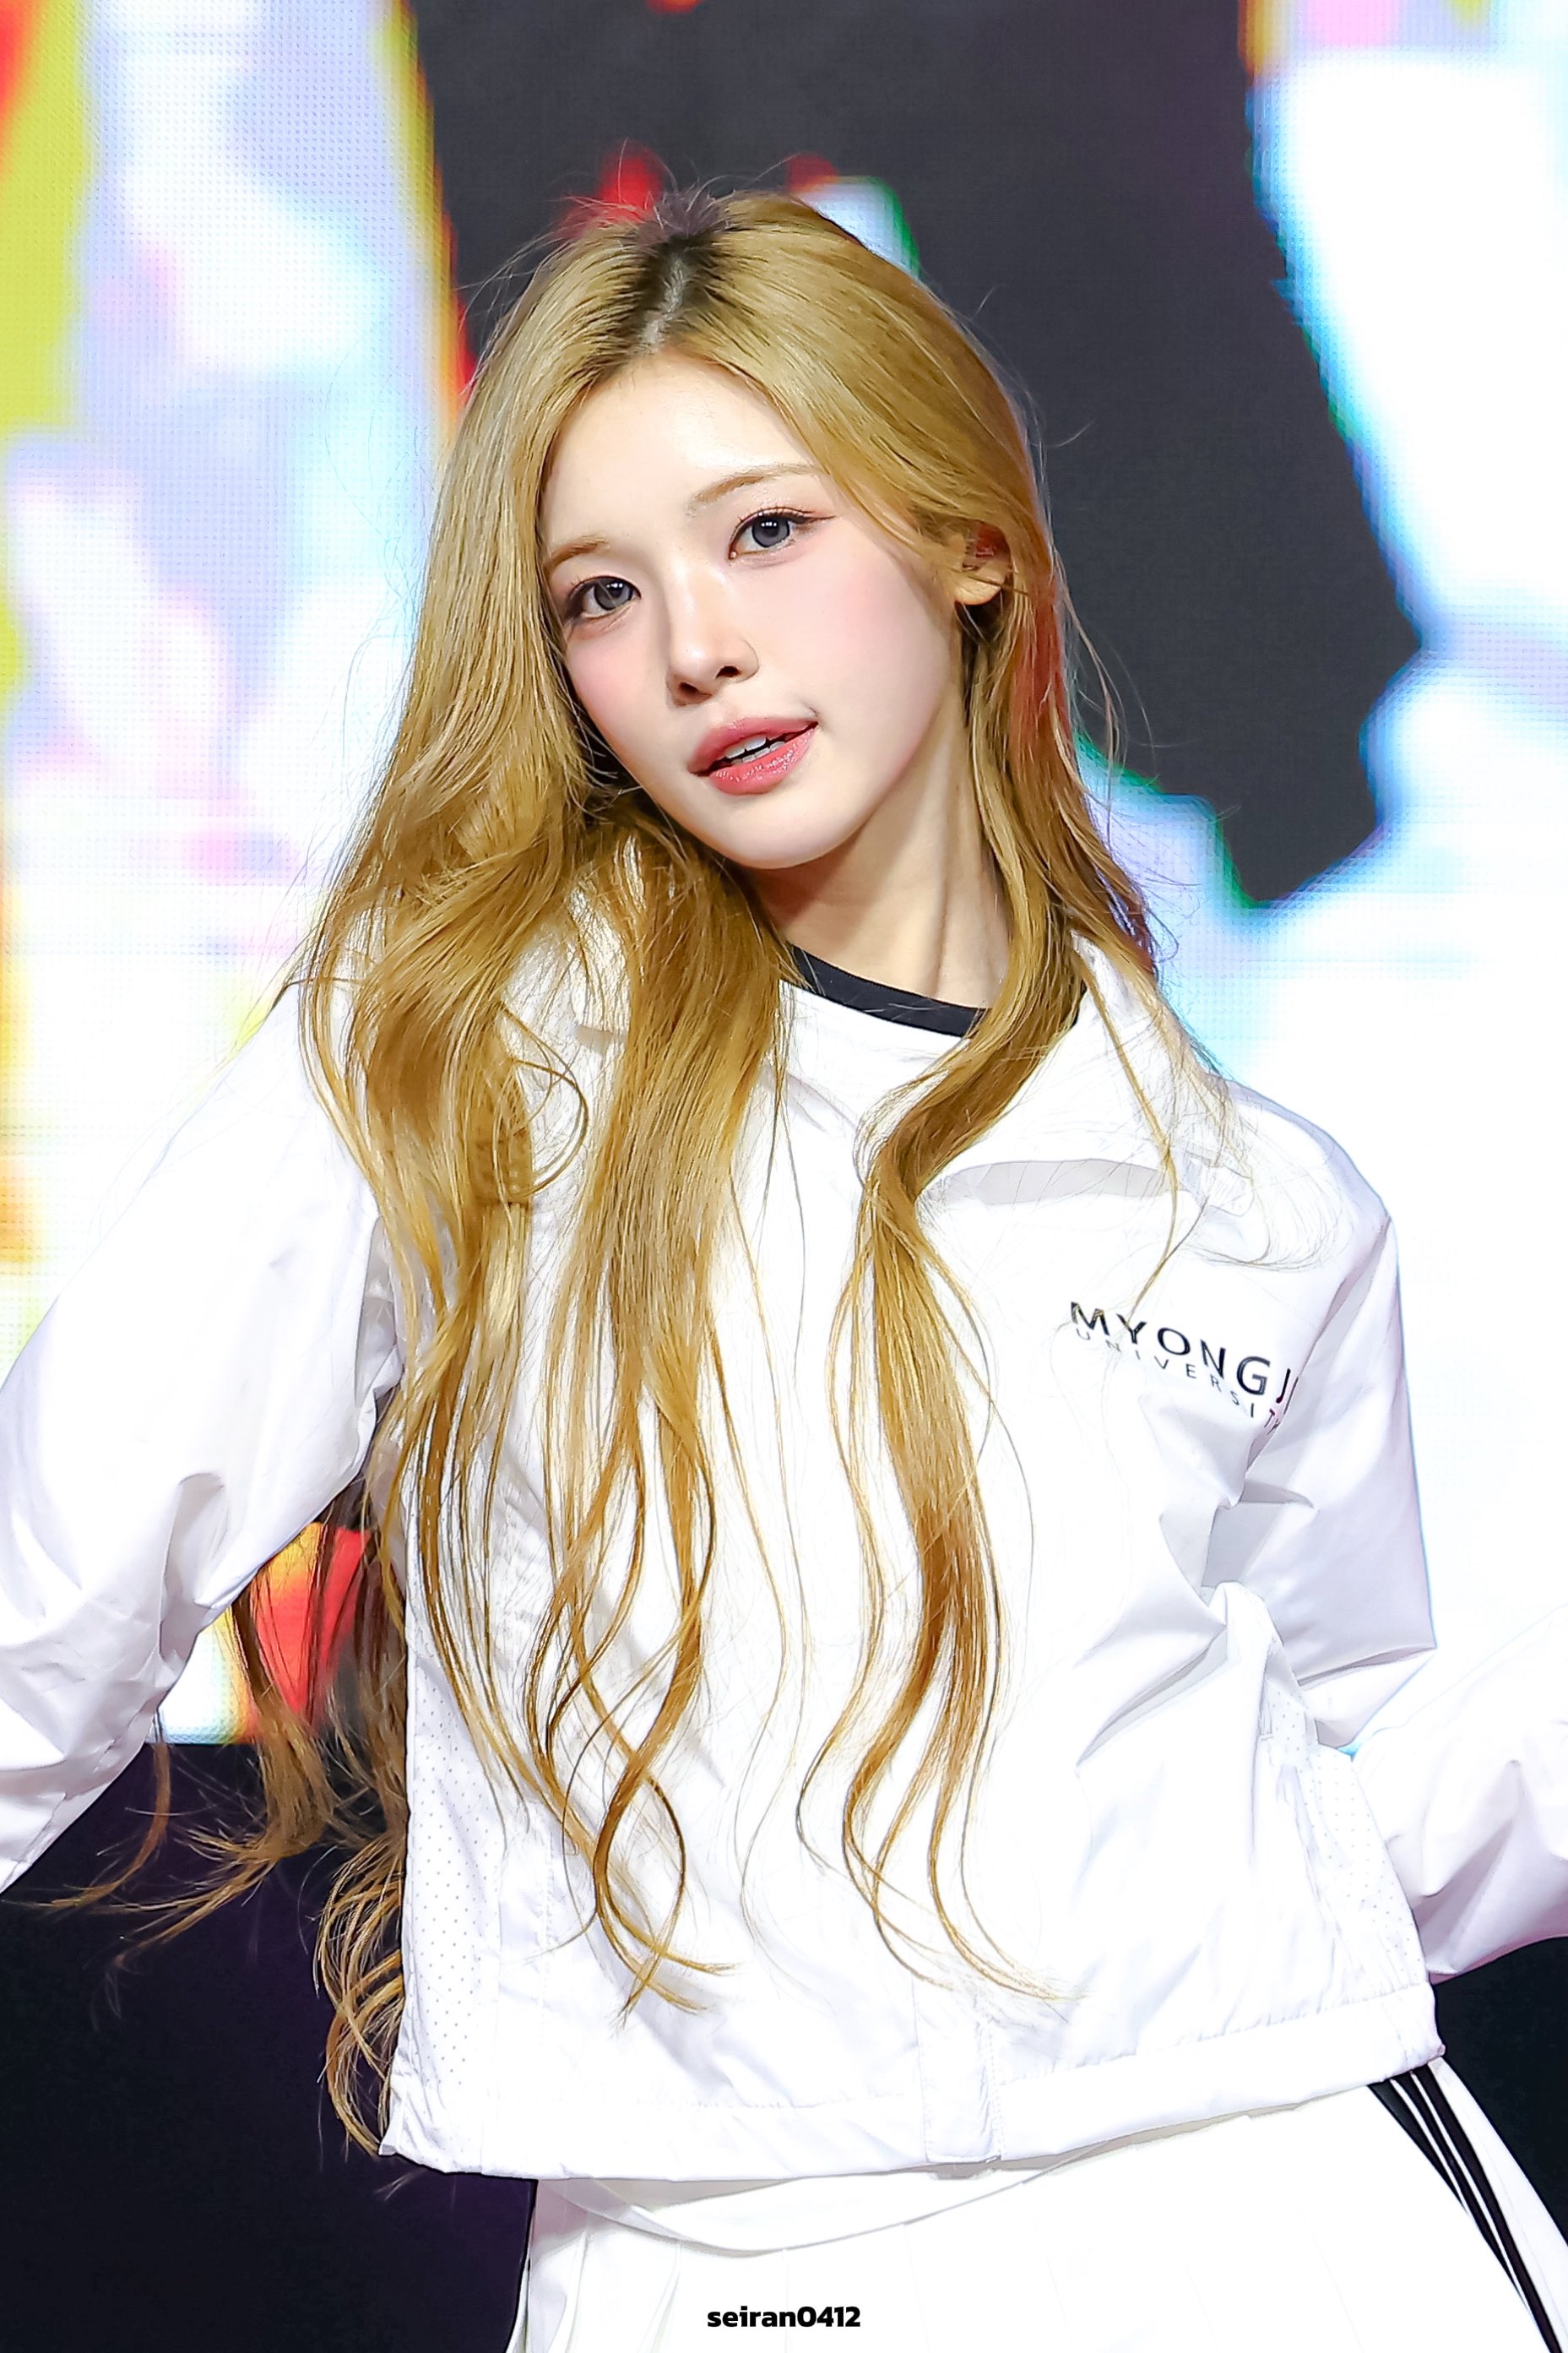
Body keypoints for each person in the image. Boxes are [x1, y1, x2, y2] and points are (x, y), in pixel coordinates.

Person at [3, 185, 1568, 2352]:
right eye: (600, 593)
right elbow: (46, 1577)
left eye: (763, 532)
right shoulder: (454, 1063)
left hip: (1282, 2212)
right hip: (727, 2264)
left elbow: (1346, 1791)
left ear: (963, 540)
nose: (694, 648)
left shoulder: (1252, 1199)